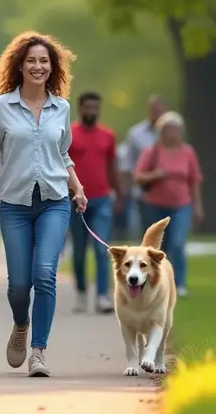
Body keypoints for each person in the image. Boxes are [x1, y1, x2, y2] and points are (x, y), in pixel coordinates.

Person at [0, 31, 88, 378]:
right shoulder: (2, 106)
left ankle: (38, 351)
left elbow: (62, 153)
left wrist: (77, 188)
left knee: (45, 275)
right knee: (19, 284)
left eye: (44, 61)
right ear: (19, 66)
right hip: (15, 204)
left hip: (54, 200)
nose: (38, 66)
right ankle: (21, 324)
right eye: (32, 60)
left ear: (53, 68)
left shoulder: (61, 107)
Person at [133, 111, 202, 298]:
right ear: (161, 131)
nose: (173, 133)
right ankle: (156, 283)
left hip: (181, 205)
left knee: (178, 244)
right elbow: (138, 176)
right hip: (154, 206)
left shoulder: (188, 152)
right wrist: (155, 175)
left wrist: (197, 206)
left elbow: (194, 180)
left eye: (176, 130)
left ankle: (179, 283)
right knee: (156, 248)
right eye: (168, 129)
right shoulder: (152, 151)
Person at [67, 91, 121, 314]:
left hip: (102, 199)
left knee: (102, 249)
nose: (91, 111)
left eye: (95, 107)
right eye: (87, 107)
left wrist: (118, 192)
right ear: (80, 108)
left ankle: (102, 296)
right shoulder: (69, 133)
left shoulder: (108, 136)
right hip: (75, 199)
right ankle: (81, 292)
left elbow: (112, 167)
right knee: (79, 252)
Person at [125, 94, 167, 237]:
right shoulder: (136, 134)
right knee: (149, 234)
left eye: (160, 110)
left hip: (169, 192)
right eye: (154, 110)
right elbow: (129, 164)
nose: (157, 114)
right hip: (144, 193)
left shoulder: (173, 134)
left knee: (169, 237)